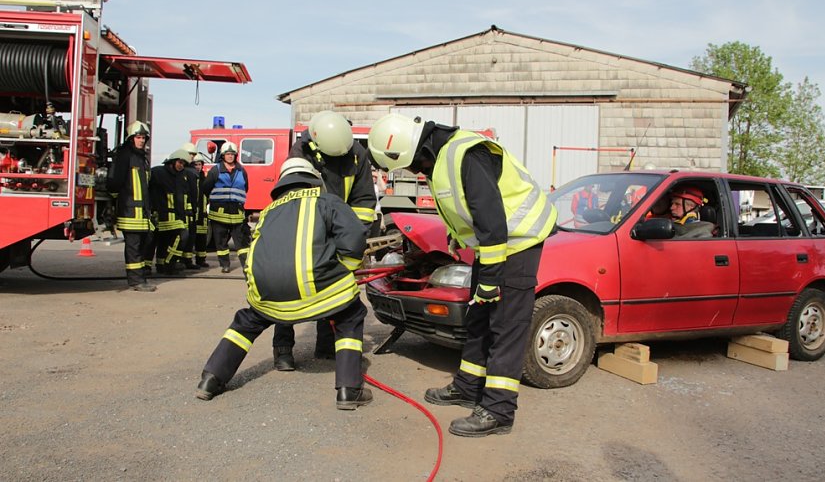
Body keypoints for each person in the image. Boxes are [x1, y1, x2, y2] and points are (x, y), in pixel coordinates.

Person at [368, 114, 557, 437]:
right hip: (494, 245)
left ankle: (498, 410)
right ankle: (468, 387)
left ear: (411, 151)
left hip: (518, 242)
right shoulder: (443, 157)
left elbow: (492, 220)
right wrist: (457, 236)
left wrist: (490, 280)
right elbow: (467, 208)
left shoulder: (466, 153)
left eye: (410, 167)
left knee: (506, 326)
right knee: (479, 317)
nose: (414, 173)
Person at [195, 158, 372, 410]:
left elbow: (255, 251)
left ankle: (211, 379)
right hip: (317, 289)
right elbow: (354, 238)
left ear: (283, 182)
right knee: (350, 316)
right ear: (313, 179)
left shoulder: (269, 210)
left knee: (246, 323)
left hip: (267, 293)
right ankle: (349, 390)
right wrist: (345, 269)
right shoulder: (326, 200)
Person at [271, 111, 376, 370]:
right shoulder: (300, 152)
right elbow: (290, 198)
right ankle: (283, 349)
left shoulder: (356, 152)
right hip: (302, 225)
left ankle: (327, 347)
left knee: (335, 286)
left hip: (339, 227)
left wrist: (355, 235)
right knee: (288, 287)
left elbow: (363, 199)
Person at [106, 121, 156, 292]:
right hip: (129, 211)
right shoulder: (124, 156)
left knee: (144, 243)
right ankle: (136, 281)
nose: (141, 140)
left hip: (142, 213)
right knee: (133, 246)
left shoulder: (142, 158)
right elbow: (114, 182)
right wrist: (116, 203)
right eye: (138, 137)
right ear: (131, 138)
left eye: (143, 138)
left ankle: (140, 276)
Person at [201, 142, 250, 274]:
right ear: (223, 156)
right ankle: (225, 265)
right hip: (219, 212)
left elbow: (246, 188)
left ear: (235, 155)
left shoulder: (242, 171)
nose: (230, 156)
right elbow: (206, 188)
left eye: (232, 154)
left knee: (241, 241)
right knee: (220, 241)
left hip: (236, 212)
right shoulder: (215, 170)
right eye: (227, 154)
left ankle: (246, 265)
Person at [149, 149, 193, 275]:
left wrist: (188, 213)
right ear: (172, 161)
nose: (181, 166)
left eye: (184, 164)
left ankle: (169, 263)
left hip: (176, 216)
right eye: (180, 162)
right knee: (158, 241)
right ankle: (158, 265)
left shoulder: (182, 177)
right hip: (160, 215)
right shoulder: (157, 172)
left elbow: (185, 196)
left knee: (181, 236)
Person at [179, 142, 201, 270]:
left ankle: (187, 260)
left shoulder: (192, 171)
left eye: (193, 155)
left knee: (191, 235)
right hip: (184, 210)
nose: (192, 157)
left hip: (191, 209)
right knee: (184, 236)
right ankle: (181, 260)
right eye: (190, 154)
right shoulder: (185, 171)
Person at [191, 152, 210, 268]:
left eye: (199, 164)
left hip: (202, 214)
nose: (198, 167)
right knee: (190, 238)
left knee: (202, 238)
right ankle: (187, 260)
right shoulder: (190, 177)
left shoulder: (204, 178)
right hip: (193, 213)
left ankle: (201, 259)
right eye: (195, 164)